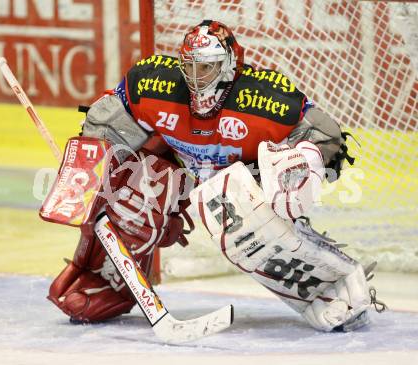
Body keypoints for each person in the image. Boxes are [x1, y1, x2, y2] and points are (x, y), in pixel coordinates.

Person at [47, 20, 383, 331]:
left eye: (205, 67)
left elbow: (326, 135)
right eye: (189, 67)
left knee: (232, 210)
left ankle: (325, 284)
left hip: (244, 184)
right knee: (129, 185)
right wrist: (92, 172)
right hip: (181, 171)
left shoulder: (264, 99)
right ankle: (110, 280)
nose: (195, 77)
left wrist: (301, 164)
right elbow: (105, 126)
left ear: (228, 67)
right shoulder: (153, 84)